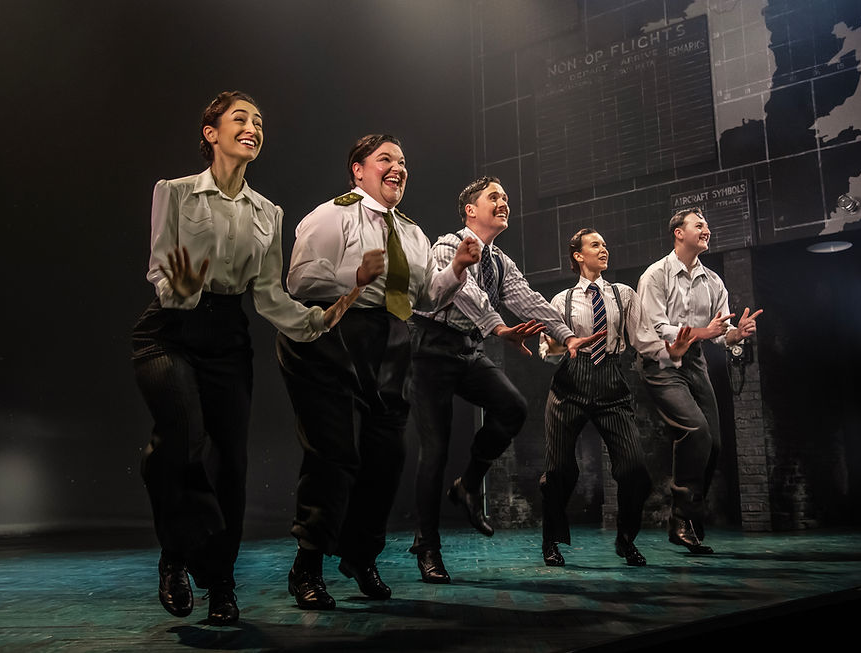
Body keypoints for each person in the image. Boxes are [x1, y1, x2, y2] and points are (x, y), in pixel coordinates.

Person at [132, 91, 358, 626]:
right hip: (169, 329)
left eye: (260, 121)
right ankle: (175, 557)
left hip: (228, 335)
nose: (253, 127)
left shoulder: (268, 212)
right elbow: (163, 274)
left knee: (229, 466)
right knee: (185, 437)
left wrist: (319, 320)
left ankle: (221, 584)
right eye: (240, 118)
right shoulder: (176, 193)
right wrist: (183, 289)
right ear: (210, 132)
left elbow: (268, 295)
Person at [276, 134, 480, 609]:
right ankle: (306, 565)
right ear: (358, 170)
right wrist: (356, 278)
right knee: (334, 452)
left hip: (391, 340)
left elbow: (426, 298)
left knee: (387, 456)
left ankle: (360, 555)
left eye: (403, 161)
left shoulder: (412, 231)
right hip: (334, 333)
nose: (397, 168)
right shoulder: (332, 215)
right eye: (385, 159)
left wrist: (455, 270)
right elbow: (300, 279)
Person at [408, 176, 603, 584]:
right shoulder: (449, 243)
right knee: (435, 450)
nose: (503, 203)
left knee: (513, 407)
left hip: (467, 348)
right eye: (494, 197)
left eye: (506, 198)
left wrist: (567, 335)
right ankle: (427, 547)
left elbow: (527, 298)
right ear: (470, 210)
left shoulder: (499, 260)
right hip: (430, 349)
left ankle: (469, 484)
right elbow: (467, 295)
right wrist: (499, 330)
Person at [538, 229, 695, 567]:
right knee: (560, 471)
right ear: (578, 255)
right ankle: (550, 540)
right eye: (595, 245)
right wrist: (554, 346)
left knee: (635, 471)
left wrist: (671, 351)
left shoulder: (623, 295)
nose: (604, 249)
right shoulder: (560, 301)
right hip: (569, 386)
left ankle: (626, 539)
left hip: (611, 383)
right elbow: (547, 350)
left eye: (605, 244)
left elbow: (643, 340)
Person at [638, 208, 762, 554]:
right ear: (678, 232)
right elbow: (655, 327)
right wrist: (701, 332)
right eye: (699, 224)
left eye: (707, 223)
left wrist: (736, 335)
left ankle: (689, 513)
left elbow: (721, 334)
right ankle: (681, 518)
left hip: (693, 361)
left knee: (715, 444)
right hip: (660, 359)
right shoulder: (656, 275)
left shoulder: (713, 281)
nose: (706, 228)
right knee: (696, 430)